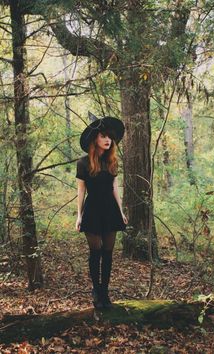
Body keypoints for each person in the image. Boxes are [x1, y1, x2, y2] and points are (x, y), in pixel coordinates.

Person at [75, 113, 128, 309]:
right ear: (94, 139)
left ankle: (105, 292)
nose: (107, 140)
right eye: (103, 136)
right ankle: (96, 290)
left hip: (110, 210)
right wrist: (79, 216)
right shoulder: (83, 163)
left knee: (108, 252)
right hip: (92, 209)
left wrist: (121, 212)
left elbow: (115, 188)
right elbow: (81, 191)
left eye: (109, 137)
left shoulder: (112, 162)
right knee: (95, 251)